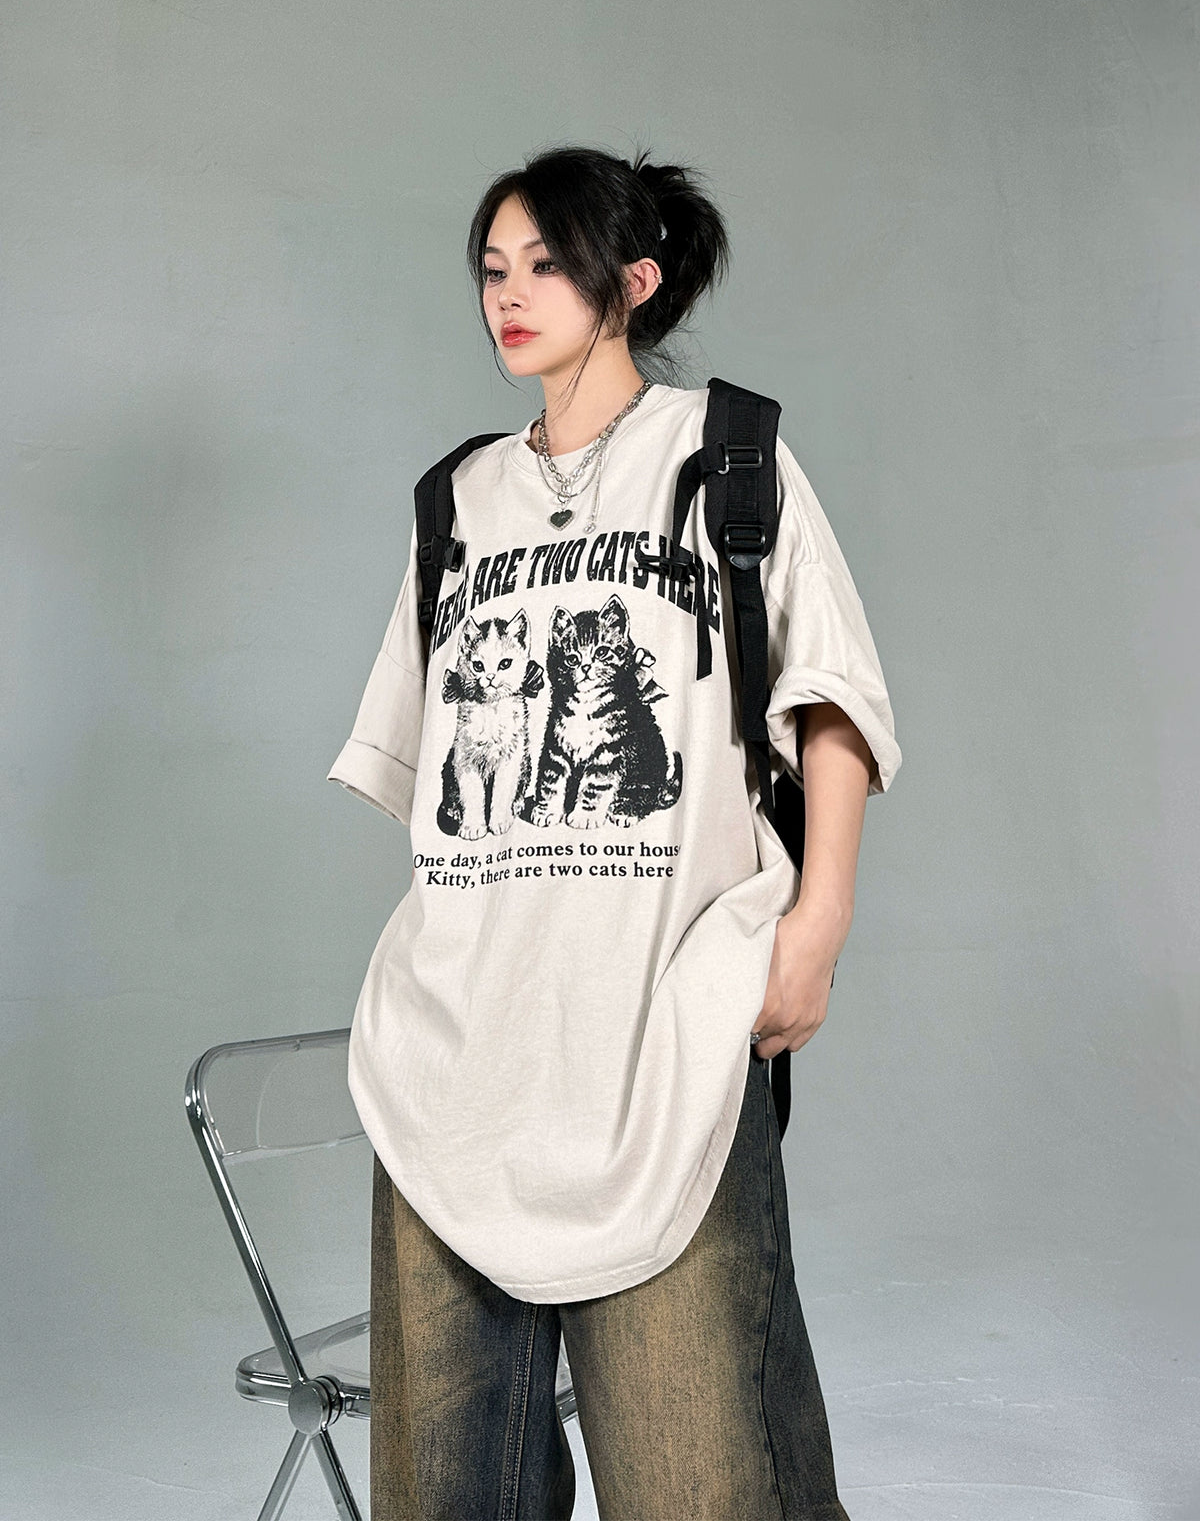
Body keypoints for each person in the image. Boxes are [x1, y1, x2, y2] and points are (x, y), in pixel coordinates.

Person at [327, 143, 901, 1520]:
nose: (508, 296)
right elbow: (436, 781)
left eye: (546, 265)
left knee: (704, 1483)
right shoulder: (455, 502)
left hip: (664, 1044)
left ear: (632, 283)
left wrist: (816, 926)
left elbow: (832, 702)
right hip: (459, 1070)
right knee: (447, 1497)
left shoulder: (730, 457)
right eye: (492, 269)